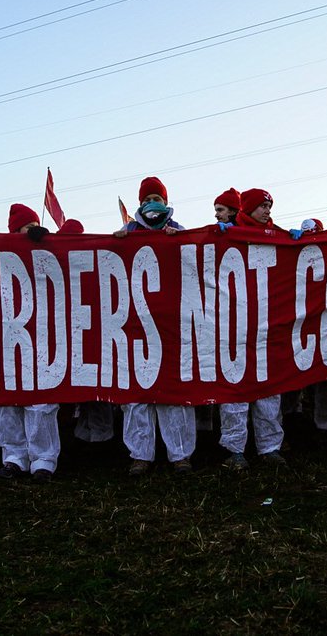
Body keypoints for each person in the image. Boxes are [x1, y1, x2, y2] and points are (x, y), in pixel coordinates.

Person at [117, 178, 195, 476]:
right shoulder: (129, 233)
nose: (154, 203)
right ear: (140, 203)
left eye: (158, 198)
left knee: (174, 391)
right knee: (137, 394)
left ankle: (180, 454)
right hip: (135, 324)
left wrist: (183, 240)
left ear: (166, 201)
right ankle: (141, 454)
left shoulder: (179, 230)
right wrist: (117, 242)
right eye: (148, 198)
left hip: (172, 322)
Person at [0, 204, 61, 482]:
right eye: (26, 228)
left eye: (34, 227)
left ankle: (44, 459)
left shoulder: (49, 249)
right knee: (5, 401)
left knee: (40, 401)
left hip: (42, 336)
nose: (32, 232)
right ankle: (14, 457)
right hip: (7, 337)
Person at [216, 188, 287, 469]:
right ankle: (234, 449)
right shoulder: (226, 235)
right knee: (235, 391)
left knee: (270, 390)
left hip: (268, 324)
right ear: (248, 208)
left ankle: (270, 447)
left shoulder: (277, 235)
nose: (267, 210)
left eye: (269, 205)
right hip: (235, 324)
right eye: (262, 206)